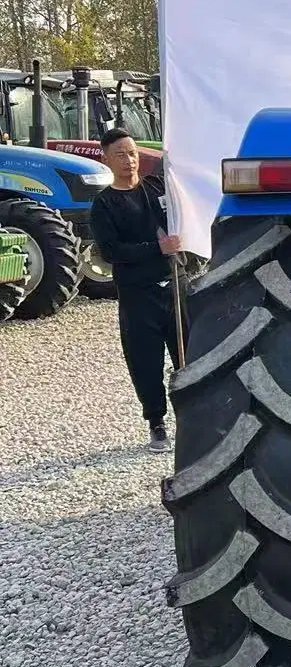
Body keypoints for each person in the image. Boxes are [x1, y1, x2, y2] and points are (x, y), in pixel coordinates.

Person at [90, 128, 187, 453]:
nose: (129, 160)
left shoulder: (157, 188)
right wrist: (156, 248)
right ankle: (156, 423)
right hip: (137, 295)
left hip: (174, 288)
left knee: (188, 357)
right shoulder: (105, 205)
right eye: (120, 154)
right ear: (106, 159)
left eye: (132, 153)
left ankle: (190, 417)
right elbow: (111, 251)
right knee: (145, 362)